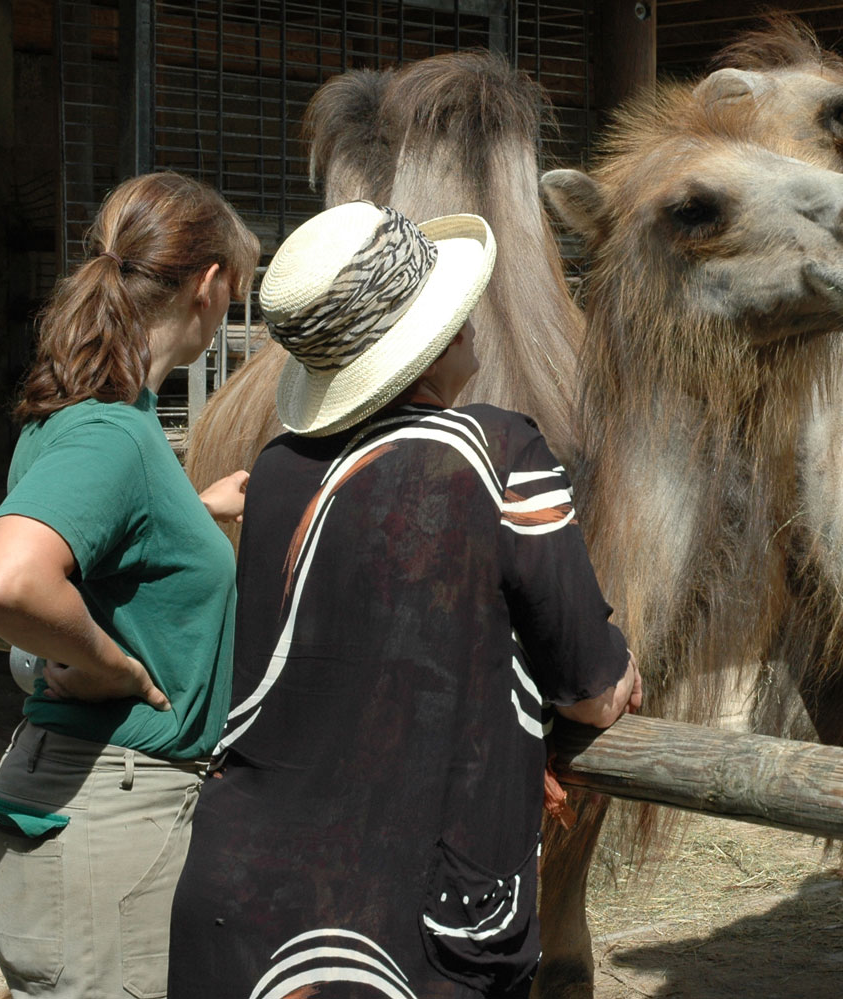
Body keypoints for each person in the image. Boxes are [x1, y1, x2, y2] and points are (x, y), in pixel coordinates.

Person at [167, 201, 641, 998]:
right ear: (435, 339)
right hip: (406, 918)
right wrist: (618, 675)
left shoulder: (277, 468)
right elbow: (590, 687)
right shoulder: (499, 451)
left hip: (239, 899)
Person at [0, 170, 260, 997]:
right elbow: (11, 580)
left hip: (76, 798)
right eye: (240, 291)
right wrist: (113, 666)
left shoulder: (93, 415)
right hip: (112, 812)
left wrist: (195, 512)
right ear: (211, 287)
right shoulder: (113, 433)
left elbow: (108, 548)